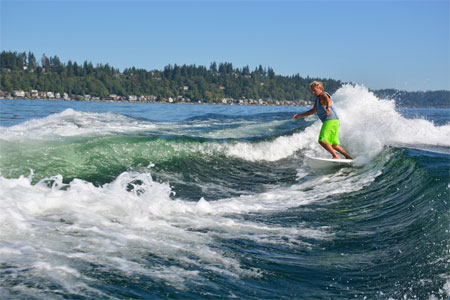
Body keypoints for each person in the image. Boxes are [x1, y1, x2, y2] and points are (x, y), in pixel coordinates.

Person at [293, 81, 352, 160]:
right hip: (335, 121)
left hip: (329, 120)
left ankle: (335, 156)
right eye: (312, 91)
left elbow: (328, 100)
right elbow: (312, 111)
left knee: (322, 140)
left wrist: (328, 108)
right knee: (334, 144)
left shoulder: (323, 95)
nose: (313, 92)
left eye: (315, 90)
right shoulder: (317, 99)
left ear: (320, 88)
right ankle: (348, 157)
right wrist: (300, 115)